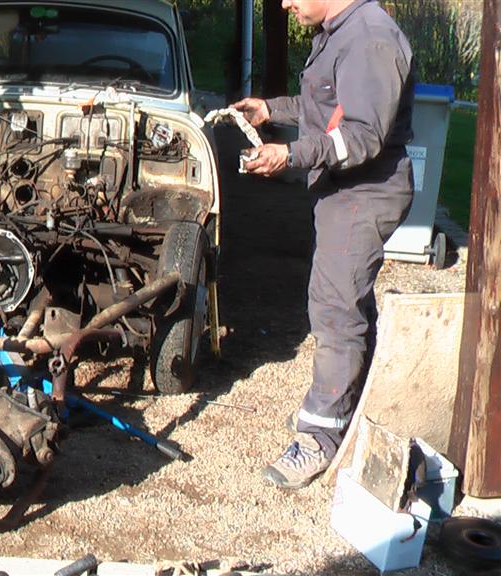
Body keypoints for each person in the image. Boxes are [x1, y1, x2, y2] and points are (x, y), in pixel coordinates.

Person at [232, 0, 415, 489]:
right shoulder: (342, 31)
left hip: (364, 193)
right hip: (346, 191)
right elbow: (328, 106)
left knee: (335, 309)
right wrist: (272, 109)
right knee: (347, 302)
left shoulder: (369, 37)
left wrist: (291, 154)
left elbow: (361, 135)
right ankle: (358, 406)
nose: (285, 3)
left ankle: (320, 437)